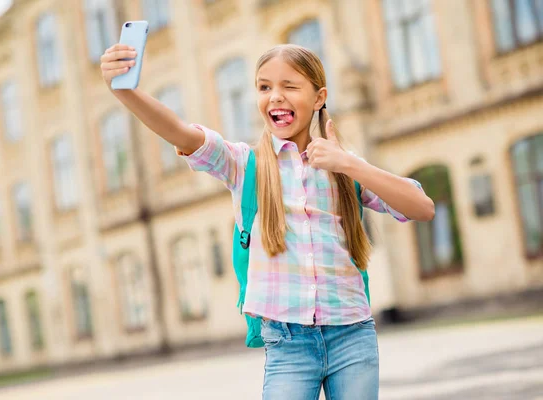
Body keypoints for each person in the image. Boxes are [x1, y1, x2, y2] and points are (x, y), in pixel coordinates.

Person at [100, 43, 435, 400]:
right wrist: (126, 91)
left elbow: (421, 207)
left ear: (320, 96)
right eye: (264, 87)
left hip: (352, 335)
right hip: (287, 343)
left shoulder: (342, 167)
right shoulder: (245, 166)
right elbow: (182, 133)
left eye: (289, 86)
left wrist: (349, 164)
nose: (275, 97)